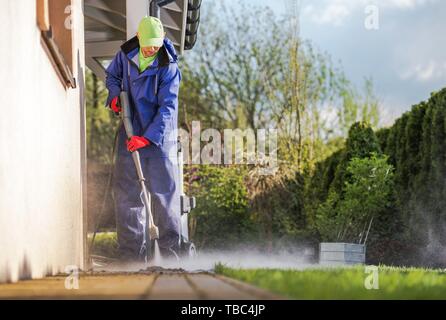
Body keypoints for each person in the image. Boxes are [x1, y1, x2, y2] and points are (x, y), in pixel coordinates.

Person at [105, 16, 182, 262]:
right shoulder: (125, 56)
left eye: (156, 44)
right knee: (128, 194)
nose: (152, 48)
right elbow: (112, 77)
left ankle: (170, 254)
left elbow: (168, 108)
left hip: (158, 139)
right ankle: (130, 255)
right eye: (148, 44)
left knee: (163, 194)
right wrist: (115, 96)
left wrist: (148, 138)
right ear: (138, 38)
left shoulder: (168, 66)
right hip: (130, 134)